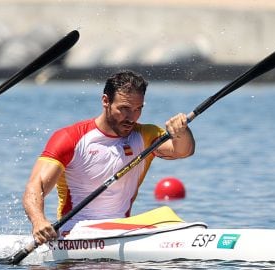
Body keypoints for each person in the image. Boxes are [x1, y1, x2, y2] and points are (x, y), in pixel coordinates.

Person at [22, 70, 195, 243]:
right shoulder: (71, 138)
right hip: (76, 231)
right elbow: (35, 186)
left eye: (138, 109)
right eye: (124, 109)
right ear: (106, 101)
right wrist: (39, 221)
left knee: (166, 215)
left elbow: (183, 150)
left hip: (122, 230)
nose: (131, 118)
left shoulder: (145, 135)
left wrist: (181, 131)